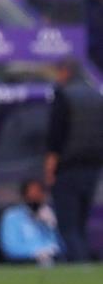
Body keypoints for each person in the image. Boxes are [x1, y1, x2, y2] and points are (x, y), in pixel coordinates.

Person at [45, 59, 103, 262]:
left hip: (68, 170)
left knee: (68, 226)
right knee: (80, 224)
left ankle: (79, 266)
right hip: (94, 169)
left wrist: (50, 172)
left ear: (65, 72)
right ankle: (84, 262)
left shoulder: (64, 96)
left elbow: (56, 138)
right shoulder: (97, 96)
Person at [0, 178, 63, 266]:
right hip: (25, 261)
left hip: (52, 260)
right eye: (32, 194)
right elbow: (10, 247)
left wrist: (51, 226)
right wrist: (36, 253)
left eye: (39, 193)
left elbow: (62, 246)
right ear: (24, 195)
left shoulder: (49, 214)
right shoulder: (12, 216)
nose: (36, 197)